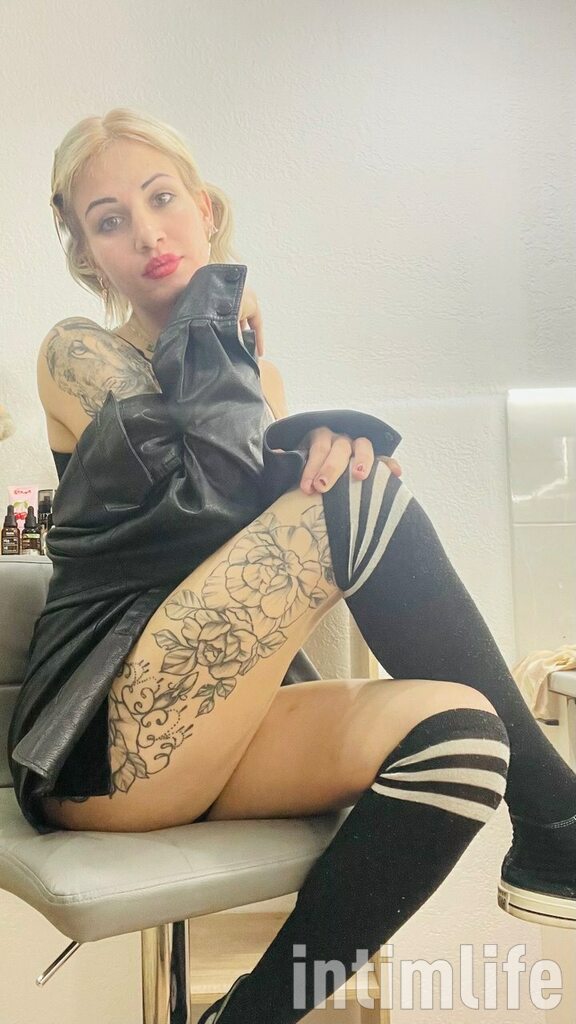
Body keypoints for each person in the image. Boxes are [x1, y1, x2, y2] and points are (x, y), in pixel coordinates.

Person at [7, 107, 576, 1024]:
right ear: (86, 254)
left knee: (462, 736)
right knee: (348, 491)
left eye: (163, 199)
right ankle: (557, 818)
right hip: (103, 736)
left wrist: (305, 444)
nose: (147, 232)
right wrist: (220, 328)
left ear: (205, 208)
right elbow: (199, 495)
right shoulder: (76, 351)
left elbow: (247, 541)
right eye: (110, 220)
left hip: (217, 725)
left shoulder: (256, 380)